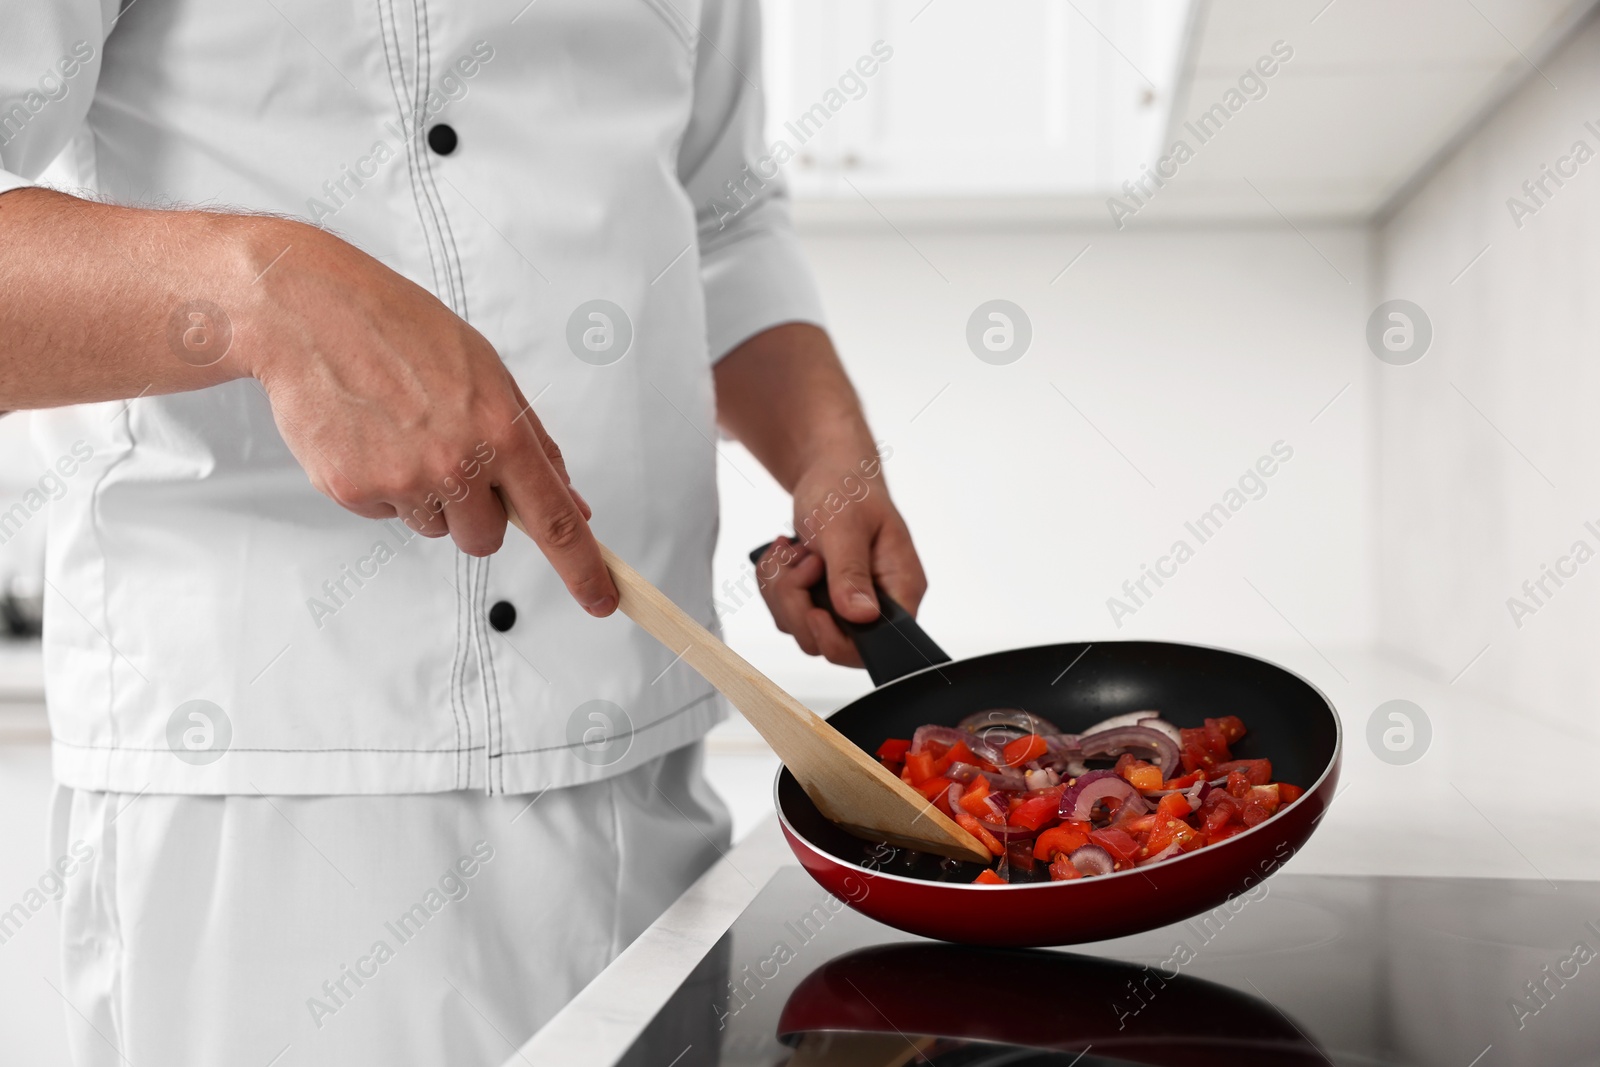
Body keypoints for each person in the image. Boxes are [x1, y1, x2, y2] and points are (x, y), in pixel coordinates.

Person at [0, 2, 926, 1063]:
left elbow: (720, 212)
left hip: (651, 778)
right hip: (283, 805)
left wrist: (826, 450)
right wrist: (265, 290)